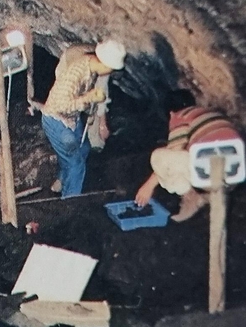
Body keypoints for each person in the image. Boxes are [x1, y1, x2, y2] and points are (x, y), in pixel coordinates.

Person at [135, 90, 241, 222]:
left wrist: (148, 186)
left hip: (210, 177)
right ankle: (207, 196)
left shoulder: (180, 117)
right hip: (235, 177)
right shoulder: (211, 113)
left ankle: (192, 198)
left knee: (159, 156)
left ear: (171, 112)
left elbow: (175, 152)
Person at [40, 39, 126, 197]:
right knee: (76, 164)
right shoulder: (76, 72)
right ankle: (70, 203)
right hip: (56, 120)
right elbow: (61, 105)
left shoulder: (91, 65)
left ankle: (64, 180)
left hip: (72, 119)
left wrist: (92, 101)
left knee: (84, 148)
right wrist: (88, 98)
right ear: (107, 66)